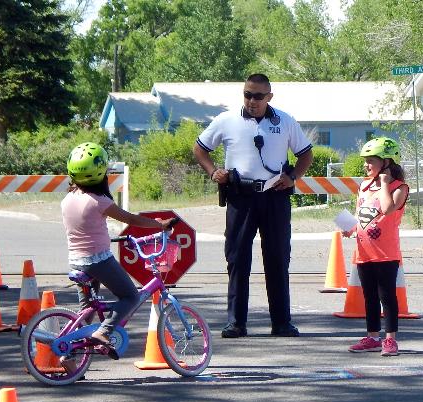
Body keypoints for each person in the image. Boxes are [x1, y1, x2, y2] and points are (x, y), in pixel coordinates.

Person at [193, 73, 313, 338]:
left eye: (258, 96)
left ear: (269, 96)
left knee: (278, 258)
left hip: (275, 196)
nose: (252, 100)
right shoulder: (227, 120)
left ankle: (281, 322)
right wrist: (214, 171)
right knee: (237, 259)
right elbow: (200, 149)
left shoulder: (285, 121)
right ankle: (236, 322)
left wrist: (292, 177)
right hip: (241, 197)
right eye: (248, 94)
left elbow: (306, 154)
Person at [61, 142, 169, 370]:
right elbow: (132, 220)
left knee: (87, 309)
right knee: (131, 296)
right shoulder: (100, 202)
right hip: (98, 261)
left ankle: (69, 356)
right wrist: (158, 225)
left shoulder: (68, 199)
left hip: (77, 261)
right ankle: (104, 332)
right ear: (102, 174)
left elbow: (87, 229)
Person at [342, 137, 410, 357]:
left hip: (386, 254)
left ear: (387, 163)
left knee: (387, 297)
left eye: (371, 161)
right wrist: (350, 227)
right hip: (363, 252)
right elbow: (361, 212)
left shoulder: (399, 188)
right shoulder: (364, 185)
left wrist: (383, 184)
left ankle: (390, 340)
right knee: (369, 297)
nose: (366, 165)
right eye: (366, 161)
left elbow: (388, 208)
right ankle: (372, 336)